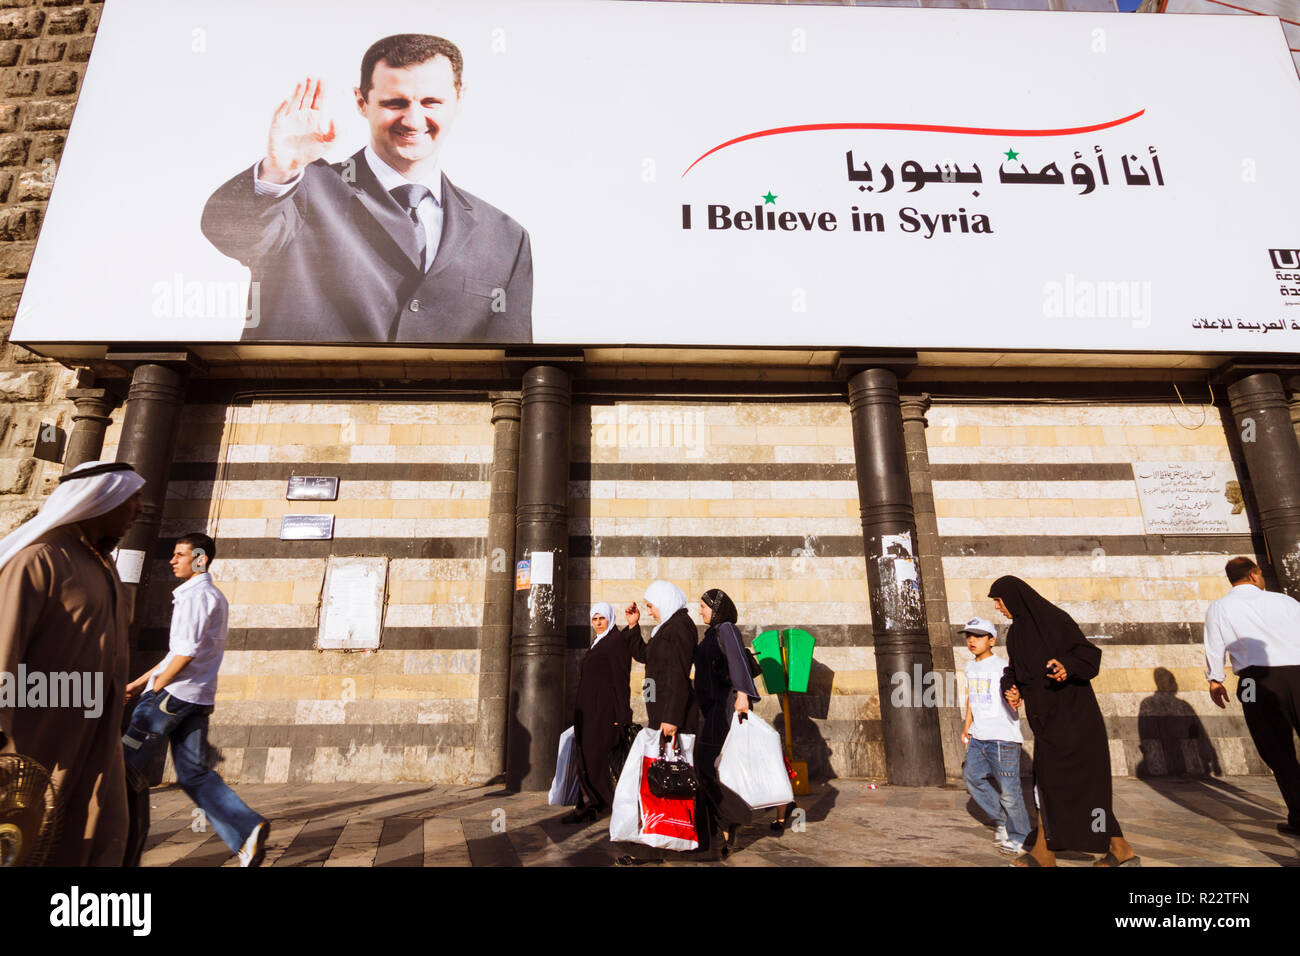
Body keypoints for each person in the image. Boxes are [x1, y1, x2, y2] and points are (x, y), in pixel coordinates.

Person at [202, 33, 533, 344]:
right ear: (362, 102)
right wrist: (278, 169)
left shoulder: (505, 239)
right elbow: (230, 233)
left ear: (459, 100)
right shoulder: (302, 189)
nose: (414, 120)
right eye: (395, 103)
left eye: (431, 102)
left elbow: (511, 373)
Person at [0, 460, 143, 866]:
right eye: (130, 500)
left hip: (98, 730)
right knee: (31, 837)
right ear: (100, 499)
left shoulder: (102, 565)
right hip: (39, 734)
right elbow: (2, 647)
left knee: (103, 832)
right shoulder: (38, 559)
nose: (137, 510)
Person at [121, 533, 270, 867]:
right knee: (193, 774)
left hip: (171, 697)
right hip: (196, 698)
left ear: (199, 559)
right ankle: (247, 829)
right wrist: (138, 682)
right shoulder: (212, 595)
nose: (173, 560)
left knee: (122, 765)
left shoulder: (194, 597)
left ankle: (114, 845)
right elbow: (176, 653)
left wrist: (155, 689)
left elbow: (183, 654)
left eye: (180, 555)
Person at [989, 575, 1140, 867]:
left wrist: (1066, 667)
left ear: (1015, 598)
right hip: (1047, 724)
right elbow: (1014, 671)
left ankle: (1045, 853)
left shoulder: (1055, 620)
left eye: (999, 600)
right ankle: (1121, 850)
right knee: (1074, 787)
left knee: (1055, 785)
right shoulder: (1018, 632)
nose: (998, 607)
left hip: (1075, 721)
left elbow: (1088, 656)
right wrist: (1011, 686)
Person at [1203, 557, 1300, 836]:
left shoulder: (1219, 607)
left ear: (1231, 579)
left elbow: (1214, 644)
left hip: (1252, 680)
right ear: (1255, 574)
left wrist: (1215, 679)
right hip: (1298, 672)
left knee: (1275, 748)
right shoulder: (1286, 602)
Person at [614, 580, 696, 866]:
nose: (649, 611)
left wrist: (671, 718)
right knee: (664, 782)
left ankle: (664, 844)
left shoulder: (680, 627)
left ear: (664, 600)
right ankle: (664, 842)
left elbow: (677, 674)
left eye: (650, 606)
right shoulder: (666, 628)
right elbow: (645, 656)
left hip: (670, 719)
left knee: (669, 781)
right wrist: (633, 626)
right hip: (660, 716)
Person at [693, 588, 762, 857]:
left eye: (703, 606)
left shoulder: (726, 629)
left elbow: (737, 663)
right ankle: (722, 827)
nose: (700, 611)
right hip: (710, 709)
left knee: (706, 763)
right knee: (710, 766)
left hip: (726, 707)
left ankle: (733, 815)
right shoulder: (711, 634)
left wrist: (743, 695)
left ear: (716, 608)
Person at [563, 602, 645, 824]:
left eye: (602, 619)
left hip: (604, 714)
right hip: (588, 713)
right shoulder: (600, 641)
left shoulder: (615, 641)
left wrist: (622, 716)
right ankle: (587, 804)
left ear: (610, 619)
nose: (598, 623)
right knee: (586, 758)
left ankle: (601, 804)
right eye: (595, 619)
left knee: (597, 760)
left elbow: (621, 680)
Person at [959, 617, 1031, 856]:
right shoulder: (970, 667)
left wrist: (1015, 697)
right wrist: (967, 726)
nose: (972, 640)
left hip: (1002, 737)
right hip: (979, 735)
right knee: (972, 778)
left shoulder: (1001, 667)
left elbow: (1015, 691)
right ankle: (1003, 822)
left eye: (979, 636)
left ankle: (1019, 835)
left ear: (992, 640)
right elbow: (972, 698)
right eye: (969, 635)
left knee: (1010, 791)